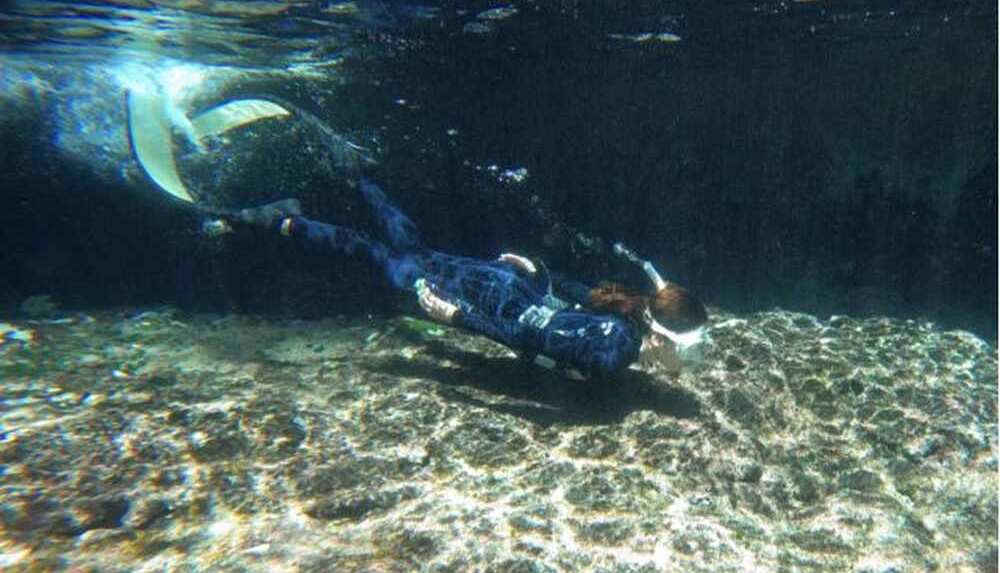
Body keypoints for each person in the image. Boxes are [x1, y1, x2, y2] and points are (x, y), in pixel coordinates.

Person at [234, 179, 709, 381]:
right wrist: (459, 316)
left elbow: (577, 294)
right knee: (391, 264)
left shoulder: (629, 313)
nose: (693, 360)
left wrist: (535, 270)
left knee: (413, 252)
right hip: (492, 300)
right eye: (691, 350)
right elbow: (527, 336)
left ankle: (359, 177)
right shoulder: (614, 354)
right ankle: (287, 221)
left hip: (505, 283)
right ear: (662, 337)